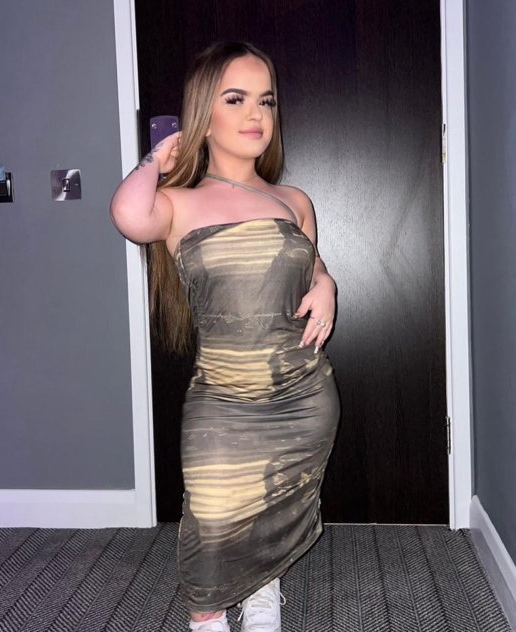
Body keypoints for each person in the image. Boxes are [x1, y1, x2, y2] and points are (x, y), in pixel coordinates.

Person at [110, 41, 340, 632]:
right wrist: (157, 158)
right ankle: (208, 617)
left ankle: (263, 592)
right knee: (211, 517)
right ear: (202, 114)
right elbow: (128, 216)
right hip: (222, 395)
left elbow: (312, 265)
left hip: (301, 392)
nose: (256, 114)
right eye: (235, 99)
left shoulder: (293, 201)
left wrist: (327, 284)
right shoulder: (176, 204)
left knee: (274, 504)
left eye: (266, 100)